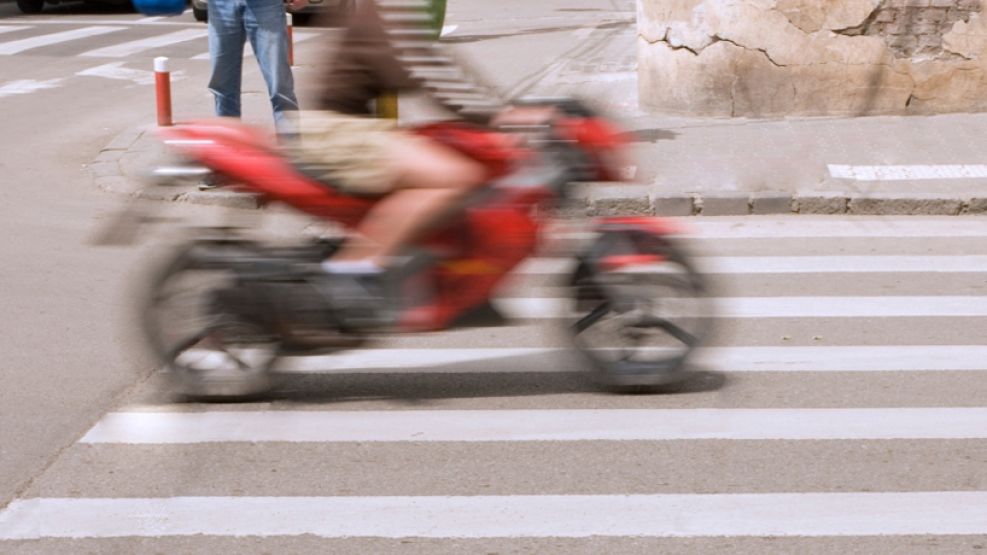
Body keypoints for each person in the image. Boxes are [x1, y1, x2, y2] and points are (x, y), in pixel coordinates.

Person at [207, 0, 303, 133]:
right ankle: (230, 148)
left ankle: (290, 150)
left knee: (280, 88)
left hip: (265, 4)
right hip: (221, 5)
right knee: (223, 88)